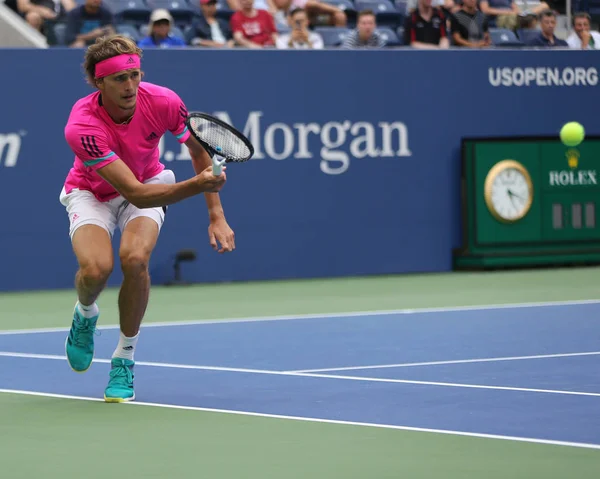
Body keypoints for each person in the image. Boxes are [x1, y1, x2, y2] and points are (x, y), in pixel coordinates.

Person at [59, 34, 235, 402]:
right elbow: (134, 193)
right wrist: (198, 184)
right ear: (98, 82)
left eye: (135, 75)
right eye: (119, 79)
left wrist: (216, 214)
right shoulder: (82, 126)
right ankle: (85, 314)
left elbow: (196, 148)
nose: (130, 86)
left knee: (135, 259)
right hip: (93, 192)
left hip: (149, 178)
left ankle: (124, 356)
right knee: (95, 270)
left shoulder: (164, 101)